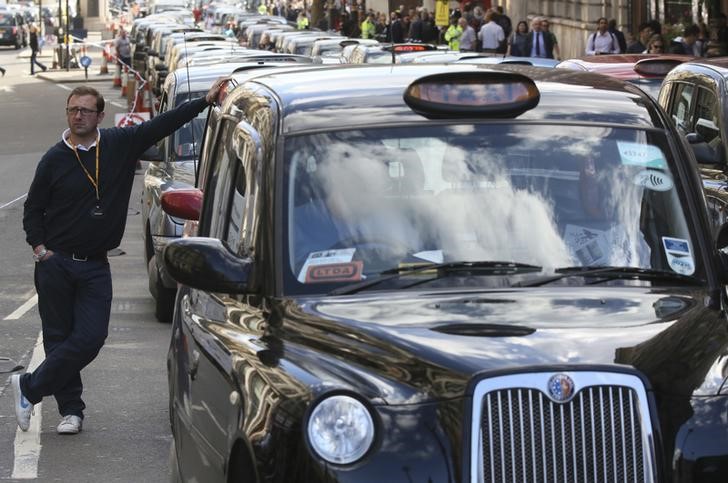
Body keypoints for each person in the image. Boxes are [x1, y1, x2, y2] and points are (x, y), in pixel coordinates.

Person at [13, 78, 229, 435]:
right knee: (58, 338)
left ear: (100, 116)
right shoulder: (53, 159)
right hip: (56, 263)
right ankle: (71, 411)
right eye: (72, 110)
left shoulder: (119, 144)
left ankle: (30, 387)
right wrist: (40, 249)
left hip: (96, 264)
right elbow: (33, 209)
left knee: (91, 337)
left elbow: (164, 123)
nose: (77, 116)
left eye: (85, 110)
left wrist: (205, 101)